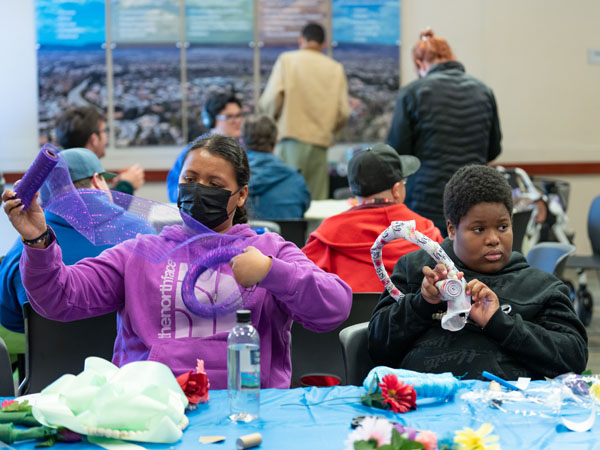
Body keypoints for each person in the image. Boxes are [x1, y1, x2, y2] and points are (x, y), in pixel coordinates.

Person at [3, 134, 352, 389]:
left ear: (241, 194)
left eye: (214, 183)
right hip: (151, 408)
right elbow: (59, 298)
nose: (199, 189)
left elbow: (334, 307)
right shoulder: (138, 251)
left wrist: (272, 272)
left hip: (246, 407)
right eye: (190, 179)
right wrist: (38, 240)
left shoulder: (267, 250)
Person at [368, 165, 588, 380]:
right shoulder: (416, 271)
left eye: (503, 227)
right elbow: (377, 345)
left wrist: (499, 322)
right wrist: (422, 303)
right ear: (452, 229)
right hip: (422, 404)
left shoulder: (540, 288)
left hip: (505, 408)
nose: (494, 239)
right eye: (479, 229)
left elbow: (574, 358)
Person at [0, 148, 156, 333]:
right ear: (97, 181)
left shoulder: (24, 247)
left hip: (48, 359)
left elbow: (9, 319)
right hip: (125, 359)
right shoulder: (142, 233)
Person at [386, 29, 502, 235]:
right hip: (474, 198)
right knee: (469, 262)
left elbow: (397, 152)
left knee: (430, 263)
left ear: (421, 64)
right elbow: (493, 149)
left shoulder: (413, 92)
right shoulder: (484, 91)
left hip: (426, 201)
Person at [303, 144, 442, 292]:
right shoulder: (427, 232)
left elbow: (305, 287)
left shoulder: (325, 236)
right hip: (410, 314)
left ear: (352, 190)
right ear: (396, 190)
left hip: (350, 315)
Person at [258, 22, 350, 200]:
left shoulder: (287, 60)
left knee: (286, 195)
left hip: (290, 139)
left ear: (302, 40)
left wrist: (273, 123)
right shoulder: (335, 68)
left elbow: (271, 99)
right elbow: (344, 112)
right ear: (324, 44)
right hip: (319, 144)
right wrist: (328, 130)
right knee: (315, 201)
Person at [167, 93, 244, 202]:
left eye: (238, 115)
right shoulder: (194, 152)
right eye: (229, 117)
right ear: (210, 120)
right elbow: (175, 191)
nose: (237, 121)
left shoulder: (243, 150)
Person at [55, 106, 145, 195]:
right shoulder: (82, 179)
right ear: (94, 139)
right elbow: (99, 207)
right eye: (104, 131)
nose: (106, 136)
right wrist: (126, 186)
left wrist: (114, 188)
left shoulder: (60, 176)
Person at [242, 115, 310, 220]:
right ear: (275, 140)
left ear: (242, 140)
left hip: (242, 237)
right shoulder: (296, 180)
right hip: (287, 236)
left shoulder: (231, 180)